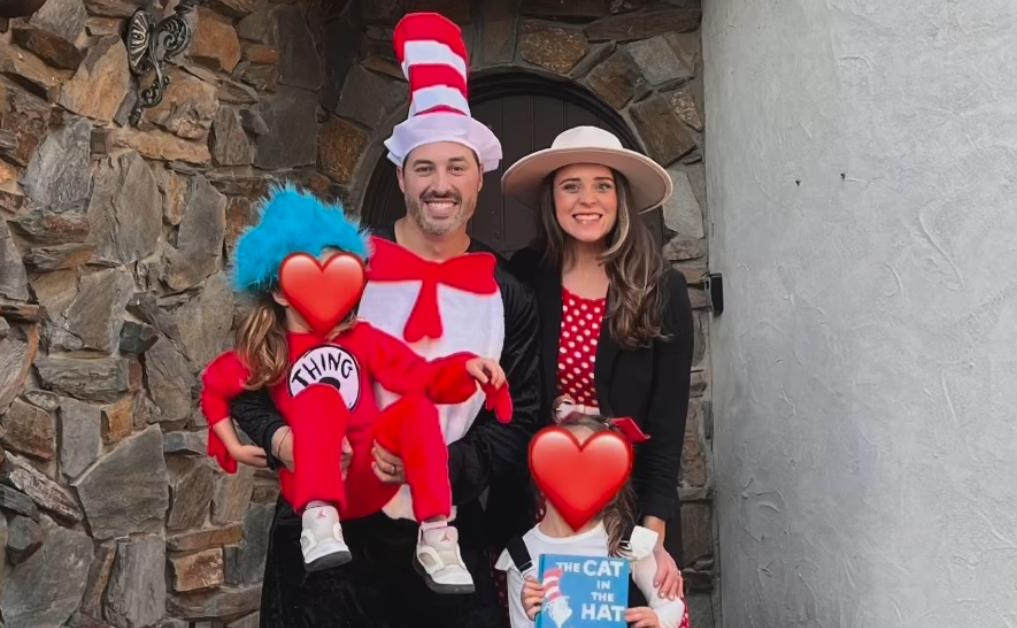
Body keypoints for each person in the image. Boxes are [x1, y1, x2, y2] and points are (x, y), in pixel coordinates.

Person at [229, 12, 541, 628]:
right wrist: (282, 439)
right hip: (330, 550)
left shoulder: (510, 292)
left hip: (447, 539)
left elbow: (521, 417)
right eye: (424, 168)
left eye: (457, 168)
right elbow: (255, 378)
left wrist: (438, 467)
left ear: (480, 179)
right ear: (400, 177)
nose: (440, 185)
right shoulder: (343, 271)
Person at [199, 186, 511, 592]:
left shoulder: (360, 337)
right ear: (278, 290)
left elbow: (420, 376)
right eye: (309, 272)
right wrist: (235, 446)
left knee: (416, 408)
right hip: (314, 476)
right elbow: (215, 389)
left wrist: (465, 367)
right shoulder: (267, 353)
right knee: (322, 397)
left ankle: (436, 534)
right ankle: (319, 519)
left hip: (369, 471)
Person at [505, 125, 694, 601]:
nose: (586, 199)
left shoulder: (660, 289)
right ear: (552, 198)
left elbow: (668, 424)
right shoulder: (526, 275)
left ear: (620, 198)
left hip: (625, 509)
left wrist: (652, 532)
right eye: (571, 186)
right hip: (540, 504)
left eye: (602, 185)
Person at [496, 414, 688, 628]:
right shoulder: (522, 556)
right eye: (560, 462)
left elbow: (671, 603)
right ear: (540, 472)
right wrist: (530, 611)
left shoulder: (626, 540)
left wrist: (658, 621)